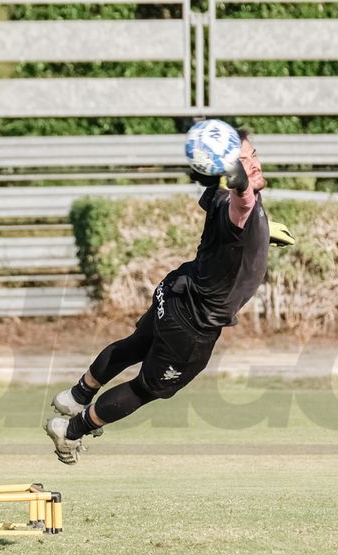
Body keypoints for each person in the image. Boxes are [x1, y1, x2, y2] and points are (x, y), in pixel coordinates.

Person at [45, 127, 293, 464]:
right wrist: (238, 180)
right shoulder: (239, 200)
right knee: (147, 388)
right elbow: (244, 200)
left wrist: (262, 235)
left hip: (176, 291)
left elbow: (229, 204)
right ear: (227, 169)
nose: (253, 164)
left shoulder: (217, 196)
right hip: (192, 324)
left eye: (253, 155)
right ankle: (71, 429)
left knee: (135, 345)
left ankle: (76, 395)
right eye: (242, 160)